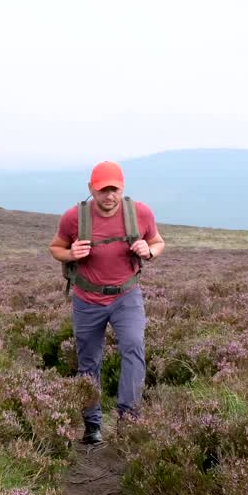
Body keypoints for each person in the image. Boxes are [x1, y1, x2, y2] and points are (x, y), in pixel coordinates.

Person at [48, 160, 165, 445]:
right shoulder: (73, 217)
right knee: (88, 359)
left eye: (114, 189)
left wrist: (148, 250)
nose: (109, 196)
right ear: (91, 188)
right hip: (87, 298)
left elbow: (159, 242)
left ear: (122, 188)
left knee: (134, 348)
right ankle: (92, 426)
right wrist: (71, 253)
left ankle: (128, 420)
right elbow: (55, 248)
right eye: (102, 190)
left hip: (127, 295)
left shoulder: (140, 213)